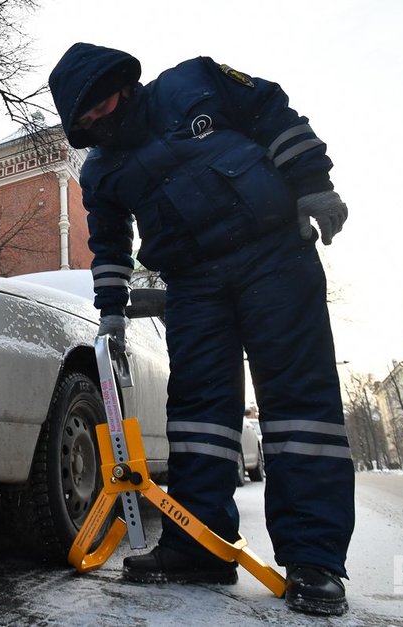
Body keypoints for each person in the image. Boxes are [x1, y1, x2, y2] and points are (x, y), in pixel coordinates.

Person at [48, 44, 354, 617]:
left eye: (99, 108)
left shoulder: (193, 84)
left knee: (297, 402)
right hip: (191, 285)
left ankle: (315, 560)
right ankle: (197, 547)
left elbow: (273, 112)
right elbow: (109, 245)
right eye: (85, 123)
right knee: (197, 416)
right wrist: (111, 311)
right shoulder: (103, 170)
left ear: (122, 83)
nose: (98, 124)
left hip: (273, 256)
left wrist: (312, 182)